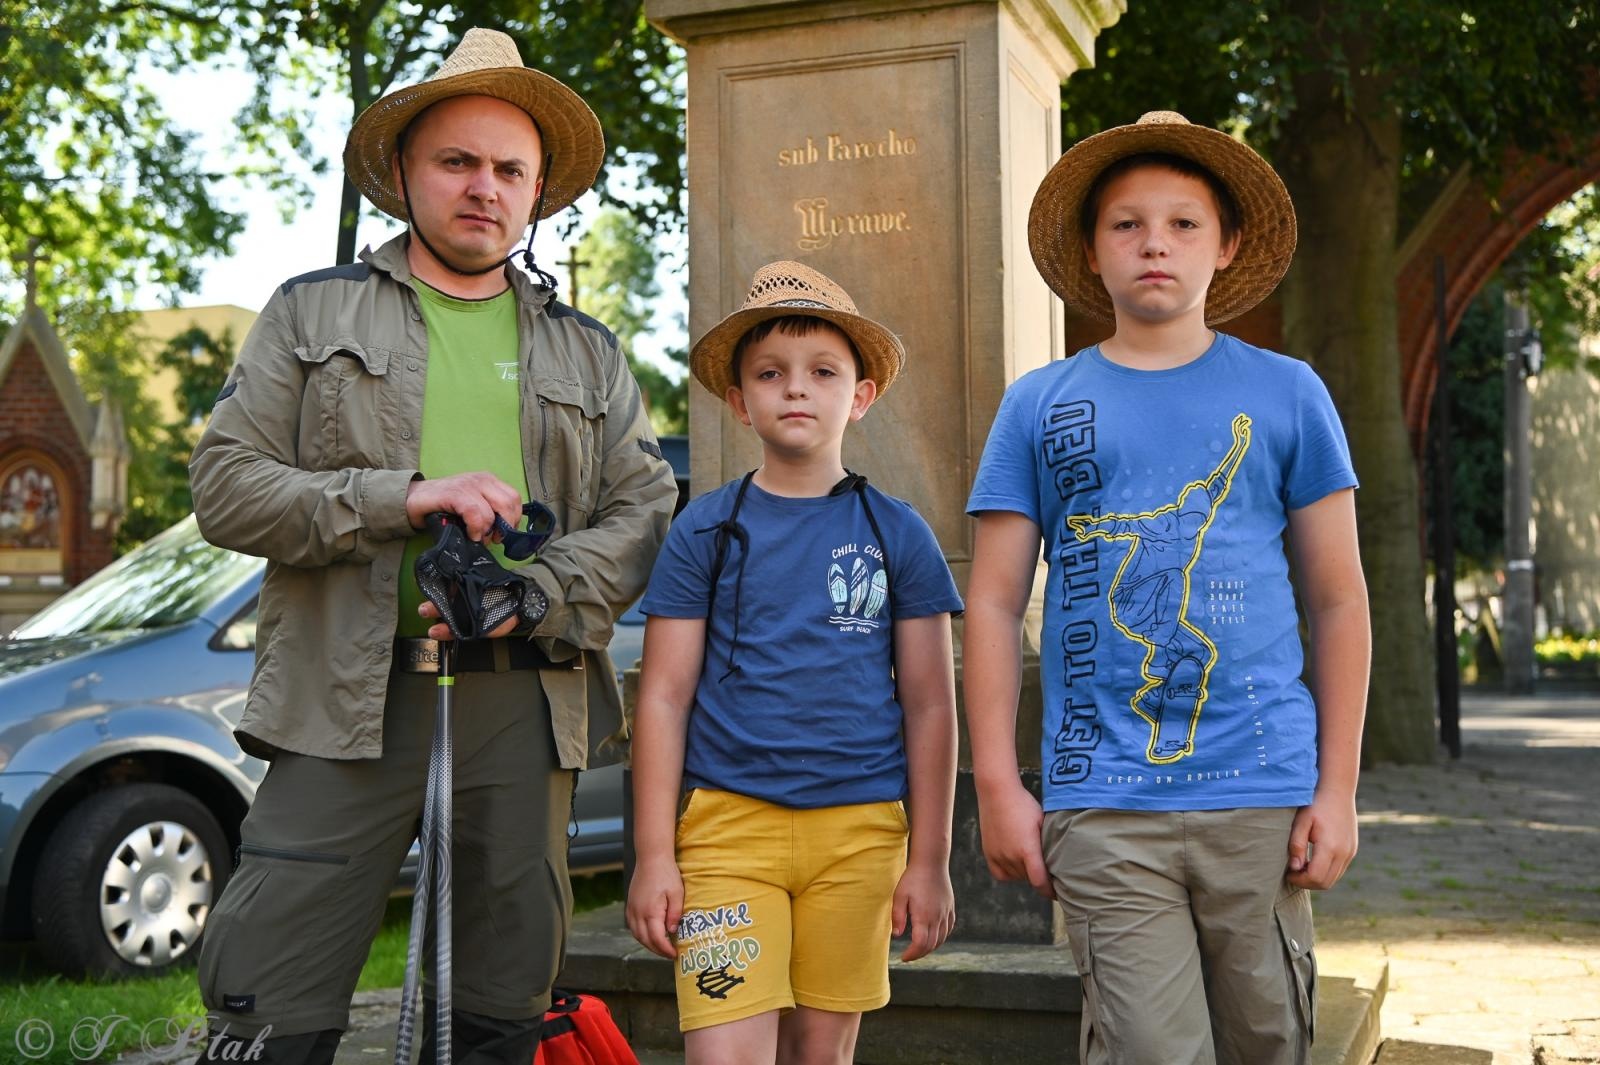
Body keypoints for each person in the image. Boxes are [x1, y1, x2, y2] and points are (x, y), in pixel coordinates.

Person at [187, 28, 678, 1065]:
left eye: (510, 170)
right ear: (405, 173)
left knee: (499, 1009)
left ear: (537, 193)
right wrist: (400, 498)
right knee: (269, 993)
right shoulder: (308, 312)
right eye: (456, 161)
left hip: (521, 694)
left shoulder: (586, 353)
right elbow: (225, 490)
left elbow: (643, 511)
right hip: (341, 694)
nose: (482, 188)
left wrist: (536, 592)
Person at [964, 111, 1370, 1065]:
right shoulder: (1040, 404)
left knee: (1271, 1040)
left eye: (1185, 223)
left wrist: (1340, 788)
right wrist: (996, 785)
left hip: (1264, 794)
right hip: (1103, 804)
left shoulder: (1289, 392)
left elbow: (1341, 598)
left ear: (1226, 247)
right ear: (1092, 252)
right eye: (1127, 223)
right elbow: (989, 601)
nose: (1155, 242)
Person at [625, 261, 961, 1065]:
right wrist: (652, 854)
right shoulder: (703, 530)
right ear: (740, 402)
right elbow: (664, 698)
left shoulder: (898, 532)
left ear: (862, 393)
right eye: (770, 374)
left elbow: (930, 703)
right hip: (726, 836)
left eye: (822, 372)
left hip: (860, 836)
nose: (796, 390)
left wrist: (933, 861)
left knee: (820, 1055)